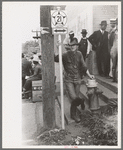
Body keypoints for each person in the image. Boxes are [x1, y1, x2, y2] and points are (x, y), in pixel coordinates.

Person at [54, 39, 94, 123]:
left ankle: (73, 114)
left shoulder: (79, 54)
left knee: (74, 99)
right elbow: (56, 59)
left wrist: (90, 75)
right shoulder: (65, 55)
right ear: (69, 46)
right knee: (73, 97)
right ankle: (81, 100)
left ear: (77, 46)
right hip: (68, 79)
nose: (73, 47)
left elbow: (83, 66)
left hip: (77, 79)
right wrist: (58, 48)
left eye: (74, 45)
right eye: (71, 45)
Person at [110, 18, 118, 82]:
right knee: (114, 64)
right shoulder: (113, 32)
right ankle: (114, 78)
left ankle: (118, 78)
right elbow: (110, 42)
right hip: (114, 49)